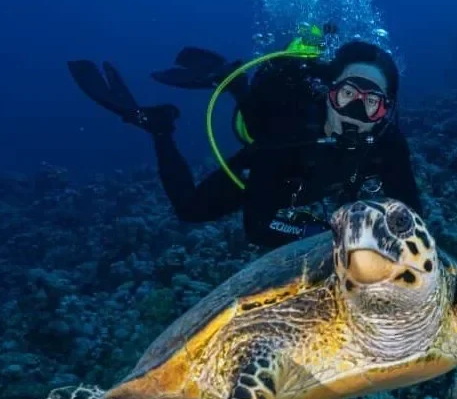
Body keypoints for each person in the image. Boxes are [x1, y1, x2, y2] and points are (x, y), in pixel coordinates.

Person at [68, 32, 423, 248]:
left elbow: (413, 219)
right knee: (190, 209)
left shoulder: (388, 144)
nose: (355, 113)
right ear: (330, 91)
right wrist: (329, 236)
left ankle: (235, 84)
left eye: (372, 103)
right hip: (276, 147)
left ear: (387, 112)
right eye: (348, 95)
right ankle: (163, 125)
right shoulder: (291, 134)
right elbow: (258, 225)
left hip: (312, 178)